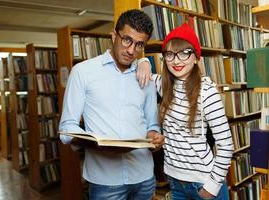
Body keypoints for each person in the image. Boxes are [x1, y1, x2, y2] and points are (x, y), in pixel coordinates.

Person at [59, 9, 164, 200]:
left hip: (145, 177)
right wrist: (97, 144)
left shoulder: (145, 77)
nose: (132, 50)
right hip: (105, 181)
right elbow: (67, 127)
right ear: (114, 35)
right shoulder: (83, 72)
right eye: (127, 40)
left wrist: (154, 136)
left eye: (139, 44)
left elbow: (152, 123)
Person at [138, 23, 234, 199]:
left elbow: (226, 145)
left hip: (203, 183)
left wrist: (211, 187)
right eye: (170, 54)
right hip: (175, 182)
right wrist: (143, 61)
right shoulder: (164, 84)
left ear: (196, 57)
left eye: (184, 53)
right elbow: (139, 75)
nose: (176, 60)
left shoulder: (206, 91)